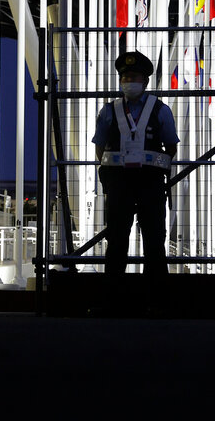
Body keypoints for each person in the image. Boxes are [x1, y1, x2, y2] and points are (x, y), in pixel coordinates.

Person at [92, 51, 179, 314]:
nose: (129, 80)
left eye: (134, 76)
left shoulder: (161, 110)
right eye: (125, 76)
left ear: (146, 80)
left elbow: (171, 145)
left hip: (150, 181)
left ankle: (156, 301)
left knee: (154, 240)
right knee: (117, 239)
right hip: (120, 182)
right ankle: (112, 300)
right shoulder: (109, 110)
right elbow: (100, 147)